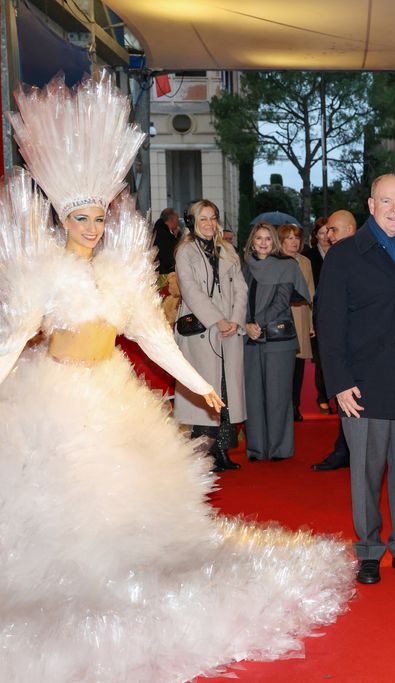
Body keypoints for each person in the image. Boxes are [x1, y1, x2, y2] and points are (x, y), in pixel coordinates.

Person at [0, 73, 354, 680]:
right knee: (58, 501)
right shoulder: (45, 275)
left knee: (125, 492)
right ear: (63, 218)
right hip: (54, 397)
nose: (91, 227)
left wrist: (197, 382)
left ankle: (123, 571)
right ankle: (79, 576)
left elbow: (153, 336)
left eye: (96, 217)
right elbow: (11, 339)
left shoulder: (120, 275)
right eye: (80, 217)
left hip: (110, 392)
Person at [317, 174, 395, 585]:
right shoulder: (345, 255)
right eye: (386, 201)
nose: (394, 209)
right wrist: (338, 382)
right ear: (371, 206)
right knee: (365, 474)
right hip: (363, 387)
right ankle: (369, 550)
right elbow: (329, 324)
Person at [175, 198, 248, 472]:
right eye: (202, 218)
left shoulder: (228, 250)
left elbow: (241, 288)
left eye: (212, 217)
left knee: (226, 391)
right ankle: (202, 454)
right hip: (202, 331)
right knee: (205, 392)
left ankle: (221, 453)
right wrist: (217, 320)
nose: (208, 223)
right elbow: (190, 290)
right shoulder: (185, 251)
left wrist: (236, 320)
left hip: (228, 329)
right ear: (192, 222)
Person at [242, 223, 310, 461]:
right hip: (249, 339)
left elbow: (282, 303)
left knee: (279, 396)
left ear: (275, 243)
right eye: (258, 238)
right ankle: (257, 449)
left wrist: (255, 323)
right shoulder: (243, 267)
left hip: (278, 341)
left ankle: (279, 449)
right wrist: (245, 325)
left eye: (268, 239)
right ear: (252, 241)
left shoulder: (286, 266)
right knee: (253, 396)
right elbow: (237, 300)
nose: (262, 242)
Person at [310, 208, 358, 472]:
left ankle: (347, 451)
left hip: (350, 345)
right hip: (335, 340)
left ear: (350, 229)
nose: (328, 235)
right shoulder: (336, 255)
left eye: (333, 230)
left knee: (349, 401)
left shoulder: (356, 257)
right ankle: (346, 449)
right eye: (327, 230)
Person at [279, 223, 316, 422]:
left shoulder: (305, 262)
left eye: (296, 238)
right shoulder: (274, 261)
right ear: (281, 241)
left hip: (301, 315)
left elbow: (311, 293)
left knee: (299, 366)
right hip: (281, 317)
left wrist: (311, 323)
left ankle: (295, 405)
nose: (294, 242)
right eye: (289, 238)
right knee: (282, 366)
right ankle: (282, 406)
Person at [153, 206, 181, 274]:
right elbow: (172, 253)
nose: (178, 222)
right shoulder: (164, 235)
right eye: (177, 219)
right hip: (164, 273)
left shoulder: (159, 230)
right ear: (172, 220)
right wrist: (176, 237)